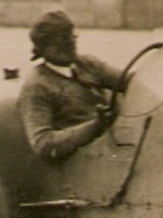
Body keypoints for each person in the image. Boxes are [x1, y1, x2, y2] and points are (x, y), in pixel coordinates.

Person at [16, 10, 124, 161]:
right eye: (62, 39)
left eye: (72, 35)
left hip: (113, 146)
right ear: (44, 48)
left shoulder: (87, 64)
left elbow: (130, 81)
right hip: (85, 162)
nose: (71, 43)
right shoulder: (37, 86)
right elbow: (44, 144)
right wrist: (95, 127)